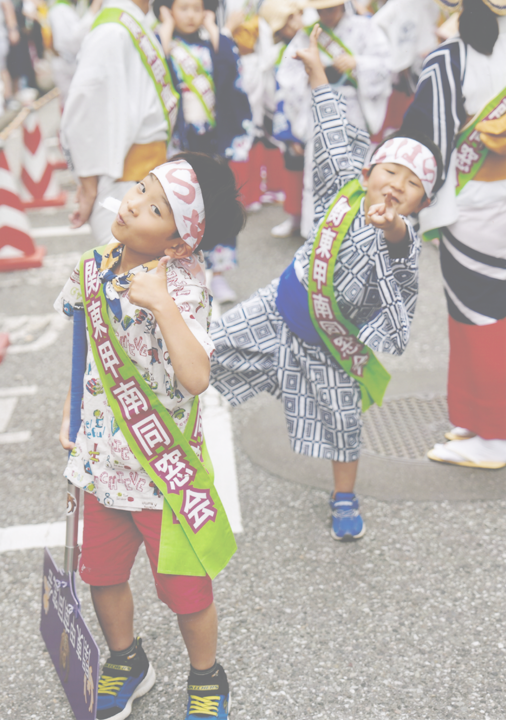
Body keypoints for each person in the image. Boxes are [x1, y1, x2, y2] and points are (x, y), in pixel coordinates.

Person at [209, 26, 442, 541]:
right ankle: (160, 422)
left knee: (343, 423)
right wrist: (317, 75)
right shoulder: (344, 188)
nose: (397, 186)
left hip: (333, 343)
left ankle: (344, 496)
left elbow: (403, 269)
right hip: (279, 304)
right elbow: (335, 132)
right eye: (391, 173)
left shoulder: (401, 234)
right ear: (368, 172)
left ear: (422, 205)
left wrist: (396, 230)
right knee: (208, 347)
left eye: (412, 186)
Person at [56, 152, 245, 720]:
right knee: (103, 576)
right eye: (141, 188)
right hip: (100, 462)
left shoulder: (184, 290)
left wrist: (161, 303)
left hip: (164, 472)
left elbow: (196, 377)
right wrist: (72, 412)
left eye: (156, 206)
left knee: (187, 593)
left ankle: (207, 676)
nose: (134, 202)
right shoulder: (93, 266)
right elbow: (83, 343)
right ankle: (126, 660)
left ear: (178, 242)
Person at [402, 0, 506, 469]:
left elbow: (426, 135)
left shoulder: (452, 56)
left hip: (476, 207)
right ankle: (478, 416)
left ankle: (494, 436)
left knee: (477, 318)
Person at [61, 0, 180, 244]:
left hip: (138, 175)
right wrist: (88, 185)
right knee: (124, 273)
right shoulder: (113, 30)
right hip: (123, 179)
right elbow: (82, 110)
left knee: (135, 274)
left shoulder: (128, 21)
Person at [156, 0, 251, 303]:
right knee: (180, 209)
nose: (191, 15)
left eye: (197, 8)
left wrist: (215, 31)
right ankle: (183, 274)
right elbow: (160, 74)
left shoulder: (214, 42)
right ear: (168, 9)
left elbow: (230, 76)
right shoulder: (161, 41)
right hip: (181, 141)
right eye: (183, 7)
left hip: (213, 140)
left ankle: (219, 274)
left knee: (219, 205)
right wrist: (165, 31)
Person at [276, 0, 392, 238]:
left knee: (358, 167)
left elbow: (386, 63)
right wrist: (311, 71)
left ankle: (357, 229)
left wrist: (357, 63)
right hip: (320, 107)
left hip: (354, 109)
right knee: (319, 167)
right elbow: (287, 72)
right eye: (321, 10)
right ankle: (316, 232)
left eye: (331, 8)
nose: (326, 14)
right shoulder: (307, 35)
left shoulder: (365, 29)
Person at [258, 0, 306, 239]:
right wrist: (290, 133)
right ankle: (295, 217)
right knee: (294, 169)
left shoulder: (310, 42)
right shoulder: (279, 53)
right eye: (287, 21)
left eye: (296, 16)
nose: (294, 23)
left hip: (310, 117)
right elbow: (280, 95)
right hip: (289, 121)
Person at [48, 0, 103, 105]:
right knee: (72, 104)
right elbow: (72, 41)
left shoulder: (65, 8)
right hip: (66, 64)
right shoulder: (60, 9)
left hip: (68, 64)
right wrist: (94, 9)